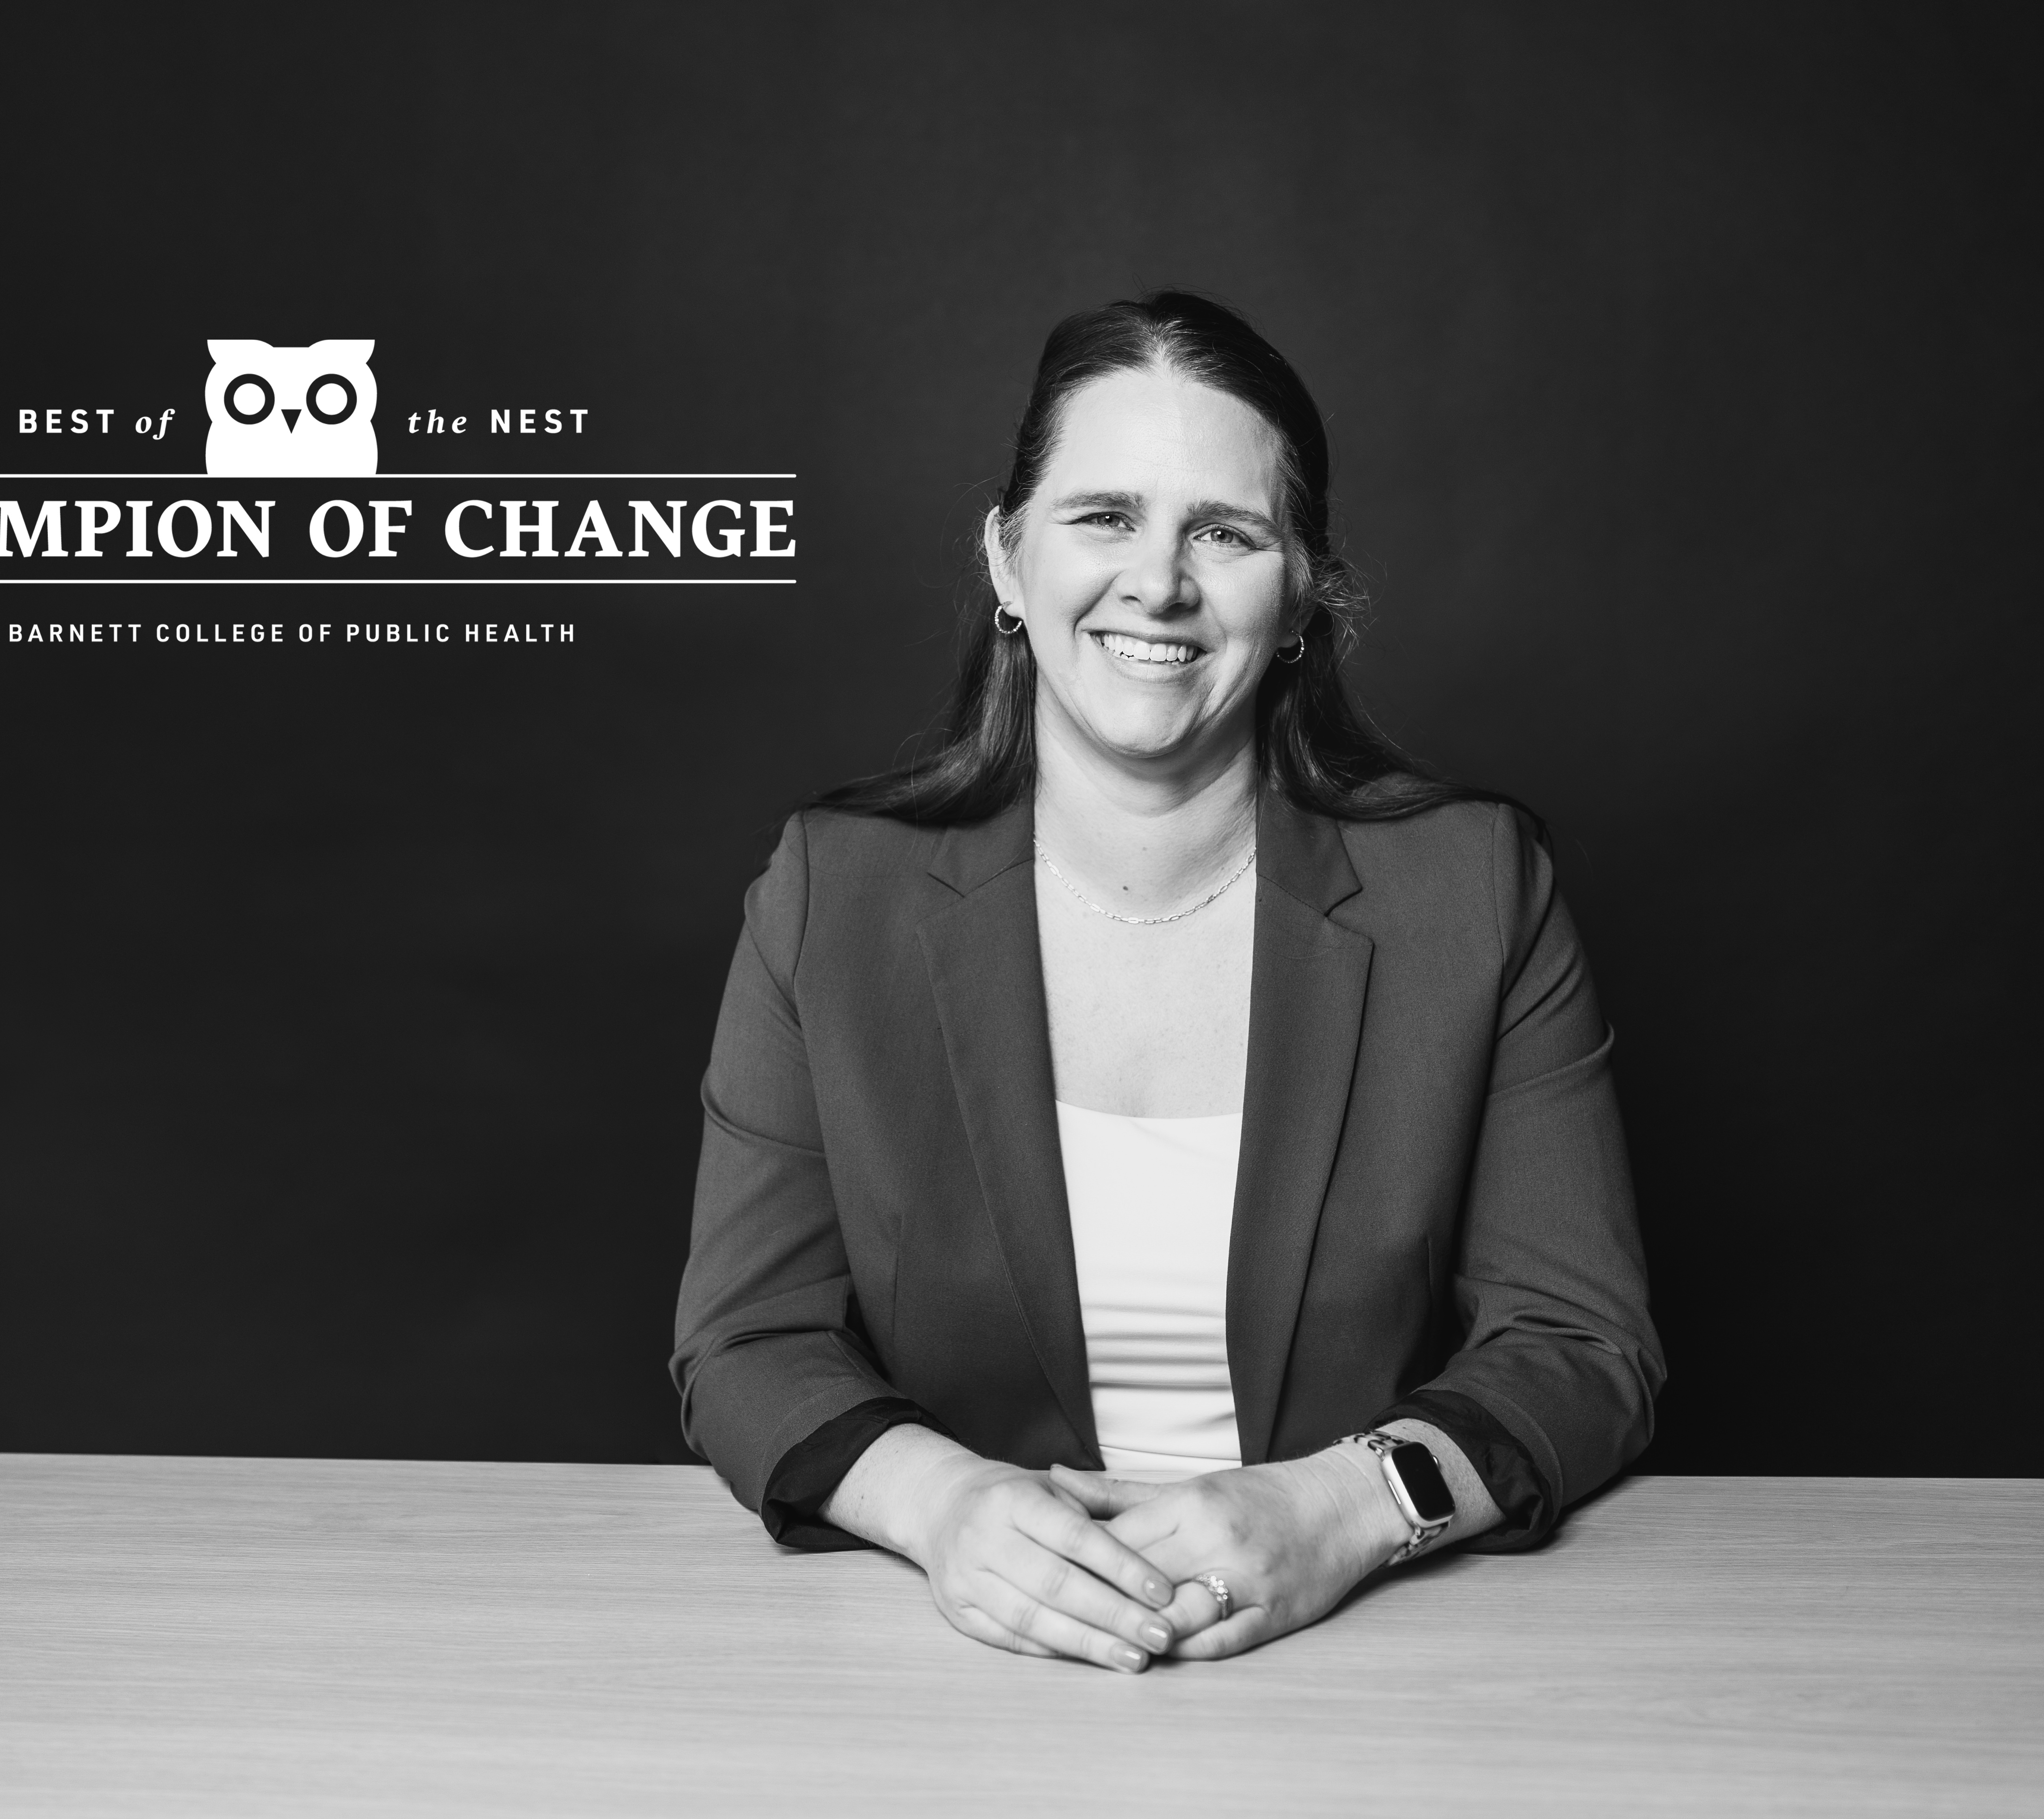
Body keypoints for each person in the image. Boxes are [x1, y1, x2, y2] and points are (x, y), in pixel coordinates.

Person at [672, 291, 1662, 1672]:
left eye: (1226, 531)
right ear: (1007, 562)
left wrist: (1350, 1505)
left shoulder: (1476, 886)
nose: (1160, 582)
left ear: (1303, 590)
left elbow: (1581, 1342)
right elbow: (745, 1341)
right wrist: (946, 1508)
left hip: (1376, 1658)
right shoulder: (833, 893)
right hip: (949, 1663)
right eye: (1103, 517)